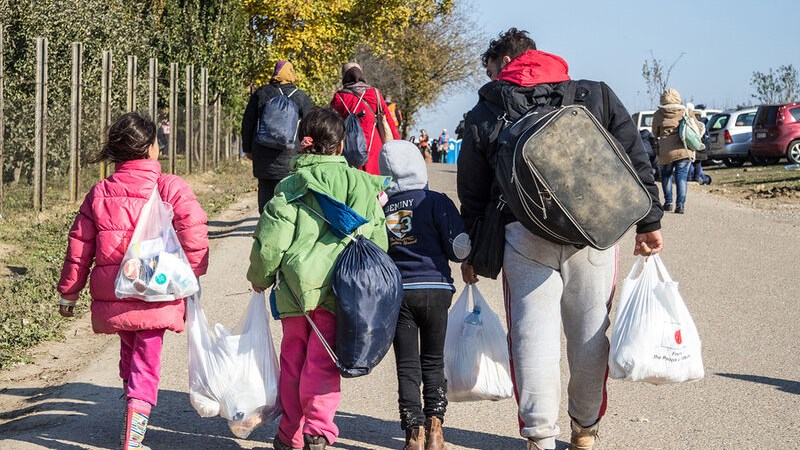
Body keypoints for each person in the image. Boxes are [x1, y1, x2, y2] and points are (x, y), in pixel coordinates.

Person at [457, 28, 663, 450]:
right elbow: (632, 156)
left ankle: (539, 437)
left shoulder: (488, 108)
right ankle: (585, 430)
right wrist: (649, 221)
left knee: (533, 338)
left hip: (523, 234)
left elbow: (473, 191)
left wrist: (474, 250)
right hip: (595, 231)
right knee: (590, 336)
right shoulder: (594, 94)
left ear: (504, 65)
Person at [56, 112, 209, 450]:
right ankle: (133, 437)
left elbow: (79, 247)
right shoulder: (170, 186)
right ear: (151, 149)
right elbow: (195, 233)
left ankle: (131, 414)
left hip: (117, 290)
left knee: (131, 354)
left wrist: (69, 293)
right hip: (160, 290)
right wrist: (192, 276)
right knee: (146, 361)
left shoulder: (100, 192)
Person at [247, 107, 389, 450]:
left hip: (296, 295)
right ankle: (318, 429)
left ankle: (289, 433)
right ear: (340, 147)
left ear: (302, 143)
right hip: (341, 292)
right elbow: (379, 241)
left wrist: (260, 277)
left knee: (293, 362)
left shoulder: (290, 186)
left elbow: (270, 242)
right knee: (322, 364)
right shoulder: (360, 183)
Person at [378, 140, 471, 450]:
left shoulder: (380, 208)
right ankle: (435, 431)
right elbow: (459, 249)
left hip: (397, 295)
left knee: (407, 366)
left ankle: (413, 434)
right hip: (435, 292)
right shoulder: (436, 201)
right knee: (433, 362)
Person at [242, 60, 313, 214]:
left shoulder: (261, 93)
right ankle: (284, 225)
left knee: (265, 192)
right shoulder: (300, 97)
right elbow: (310, 126)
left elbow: (248, 122)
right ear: (291, 74)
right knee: (288, 195)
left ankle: (266, 223)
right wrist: (308, 151)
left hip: (263, 155)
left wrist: (247, 149)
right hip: (291, 156)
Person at [330, 62, 400, 175]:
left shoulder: (339, 98)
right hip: (374, 148)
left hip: (350, 148)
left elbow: (332, 125)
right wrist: (398, 145)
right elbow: (389, 123)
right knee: (375, 183)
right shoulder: (374, 94)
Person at [652, 88, 704, 214]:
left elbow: (655, 132)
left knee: (666, 176)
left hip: (666, 152)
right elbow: (697, 128)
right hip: (684, 149)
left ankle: (668, 202)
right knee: (681, 177)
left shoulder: (658, 114)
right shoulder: (686, 111)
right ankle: (680, 204)